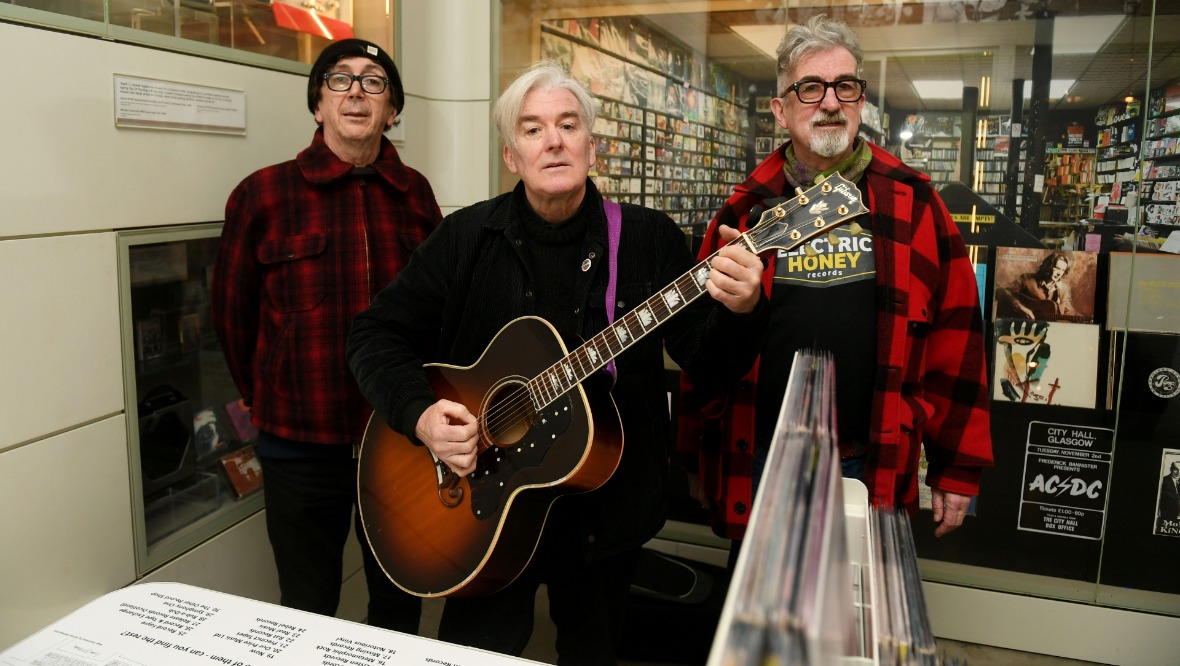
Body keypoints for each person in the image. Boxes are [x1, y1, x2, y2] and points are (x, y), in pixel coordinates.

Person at [346, 61, 764, 663]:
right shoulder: (466, 238)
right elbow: (373, 334)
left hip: (606, 518)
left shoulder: (648, 239)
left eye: (569, 125)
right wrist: (420, 416)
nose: (554, 141)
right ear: (512, 156)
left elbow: (709, 363)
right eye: (533, 129)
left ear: (592, 147)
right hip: (479, 515)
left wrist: (742, 310)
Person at [678, 14, 993, 547]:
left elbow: (957, 337)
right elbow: (702, 352)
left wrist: (957, 467)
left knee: (858, 623)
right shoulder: (746, 211)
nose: (830, 102)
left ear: (860, 101)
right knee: (761, 624)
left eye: (845, 87)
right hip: (759, 459)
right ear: (780, 110)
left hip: (868, 462)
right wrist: (694, 456)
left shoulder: (913, 205)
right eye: (810, 88)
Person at [211, 38, 441, 632]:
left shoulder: (416, 196)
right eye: (340, 80)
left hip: (398, 441)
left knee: (398, 601)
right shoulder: (263, 194)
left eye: (374, 81)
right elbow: (231, 319)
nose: (357, 91)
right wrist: (268, 399)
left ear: (392, 110)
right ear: (318, 104)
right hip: (298, 445)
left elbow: (440, 312)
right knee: (307, 608)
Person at [995, 251, 1076, 320]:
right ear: (1048, 266)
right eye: (1057, 268)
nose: (1059, 273)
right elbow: (1001, 291)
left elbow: (1069, 311)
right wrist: (1020, 308)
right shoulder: (1027, 279)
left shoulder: (1062, 290)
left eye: (1062, 270)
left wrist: (1086, 320)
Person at [1159, 462, 1180, 526]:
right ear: (1171, 469)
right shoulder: (1163, 481)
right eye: (1176, 469)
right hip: (1168, 518)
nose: (1178, 472)